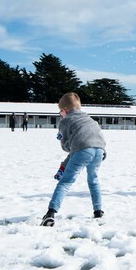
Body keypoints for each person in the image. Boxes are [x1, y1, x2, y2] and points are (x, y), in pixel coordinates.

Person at [40, 92, 107, 226]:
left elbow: (67, 147)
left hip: (83, 150)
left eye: (60, 112)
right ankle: (98, 211)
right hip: (99, 150)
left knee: (65, 182)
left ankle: (50, 213)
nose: (61, 115)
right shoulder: (89, 119)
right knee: (93, 180)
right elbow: (96, 136)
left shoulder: (65, 121)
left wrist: (62, 140)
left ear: (64, 110)